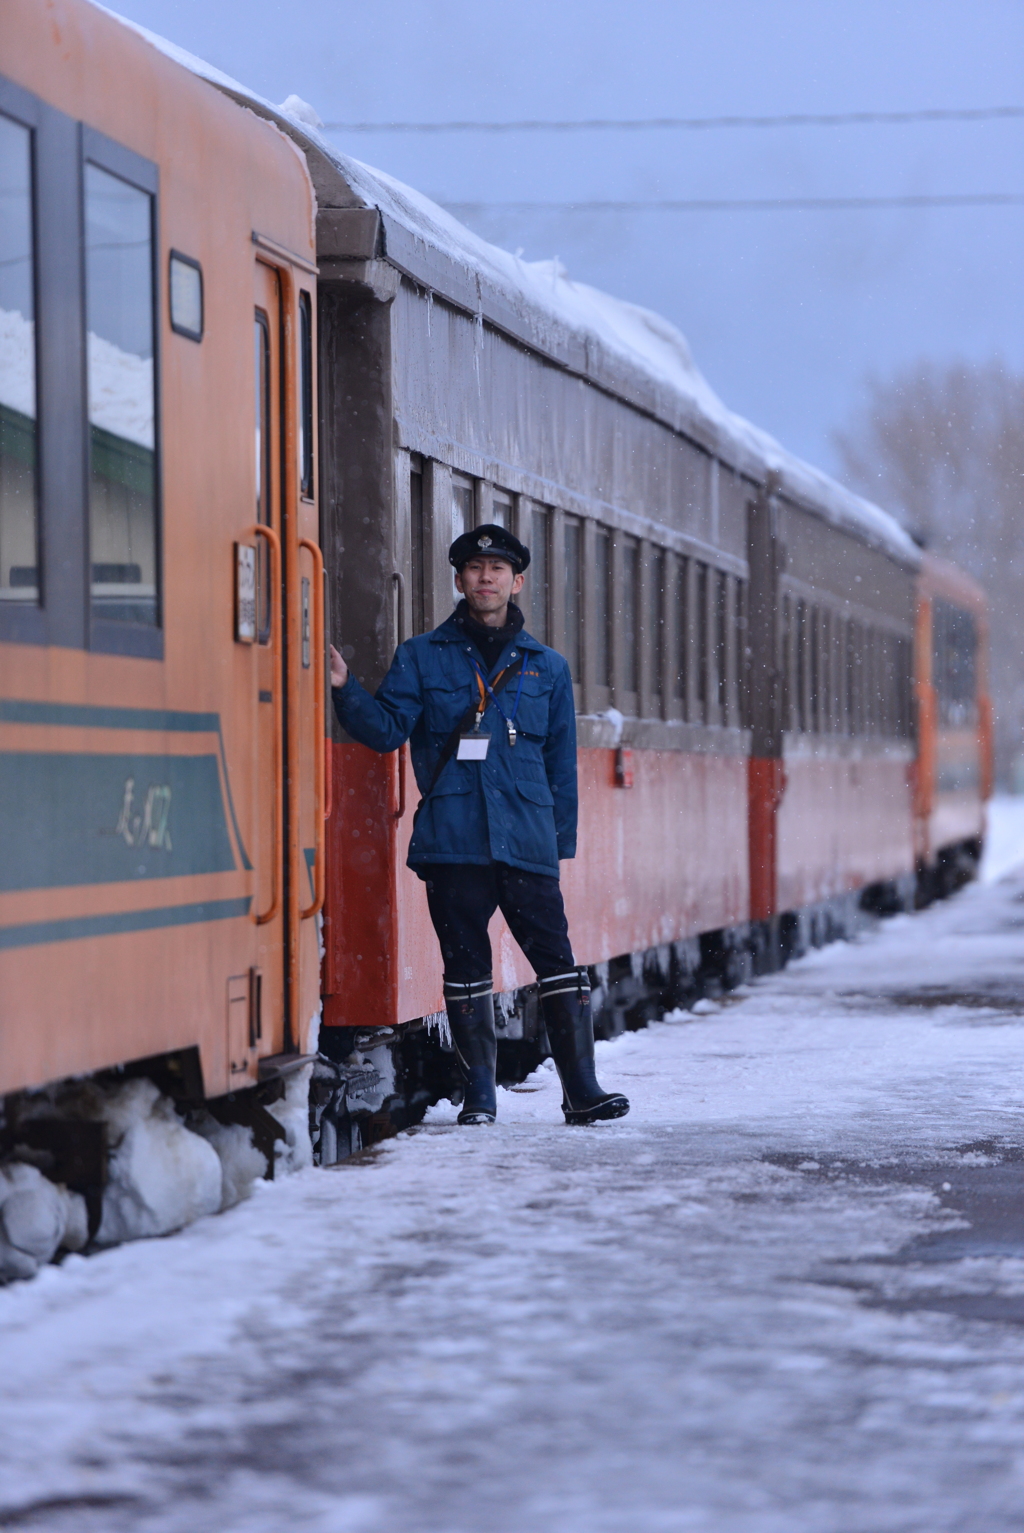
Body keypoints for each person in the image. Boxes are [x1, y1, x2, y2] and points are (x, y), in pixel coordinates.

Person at [329, 523, 629, 1128]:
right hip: (454, 840)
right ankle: (480, 1097)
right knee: (465, 972)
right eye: (474, 568)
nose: (486, 577)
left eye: (497, 569)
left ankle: (582, 1090)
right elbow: (387, 729)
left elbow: (559, 768)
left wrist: (556, 846)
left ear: (516, 582)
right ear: (459, 580)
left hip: (525, 842)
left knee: (559, 965)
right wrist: (344, 689)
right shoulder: (422, 656)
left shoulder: (547, 668)